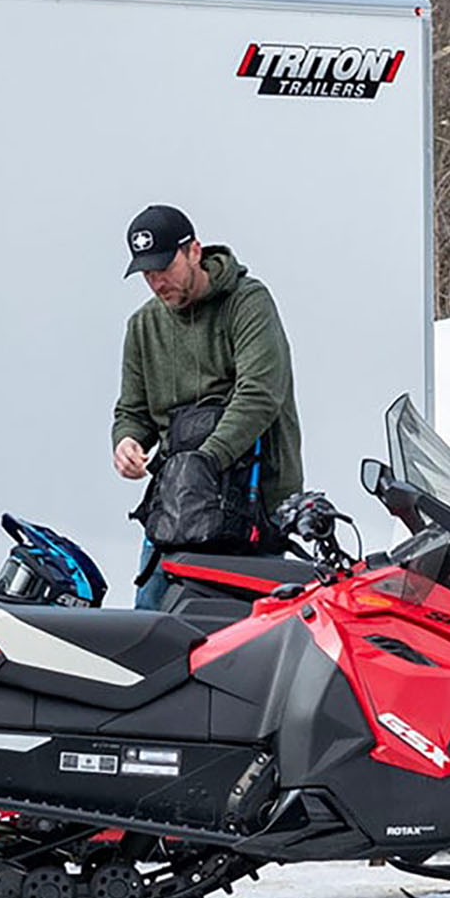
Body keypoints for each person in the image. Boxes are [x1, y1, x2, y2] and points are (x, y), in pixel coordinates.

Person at [112, 204, 302, 607]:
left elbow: (260, 395)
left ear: (194, 251)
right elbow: (132, 411)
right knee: (152, 630)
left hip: (254, 503)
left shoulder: (248, 303)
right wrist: (126, 442)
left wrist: (204, 461)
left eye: (165, 268)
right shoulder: (142, 326)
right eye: (147, 274)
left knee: (251, 640)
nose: (157, 282)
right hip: (176, 506)